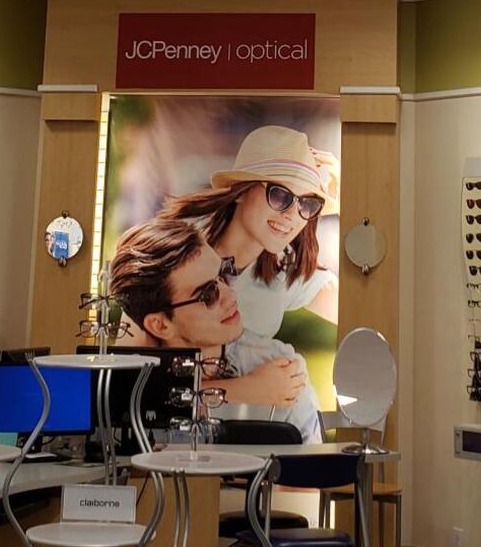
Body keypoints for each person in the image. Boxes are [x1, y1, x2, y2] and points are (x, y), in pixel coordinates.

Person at [107, 214, 318, 438]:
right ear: (160, 325)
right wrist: (244, 389)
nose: (230, 295)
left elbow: (315, 458)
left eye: (223, 274)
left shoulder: (280, 368)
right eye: (208, 294)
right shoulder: (127, 385)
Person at [163, 125, 338, 343]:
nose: (292, 215)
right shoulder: (178, 252)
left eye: (308, 203)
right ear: (241, 191)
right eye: (280, 195)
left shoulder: (284, 271)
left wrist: (353, 198)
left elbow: (361, 311)